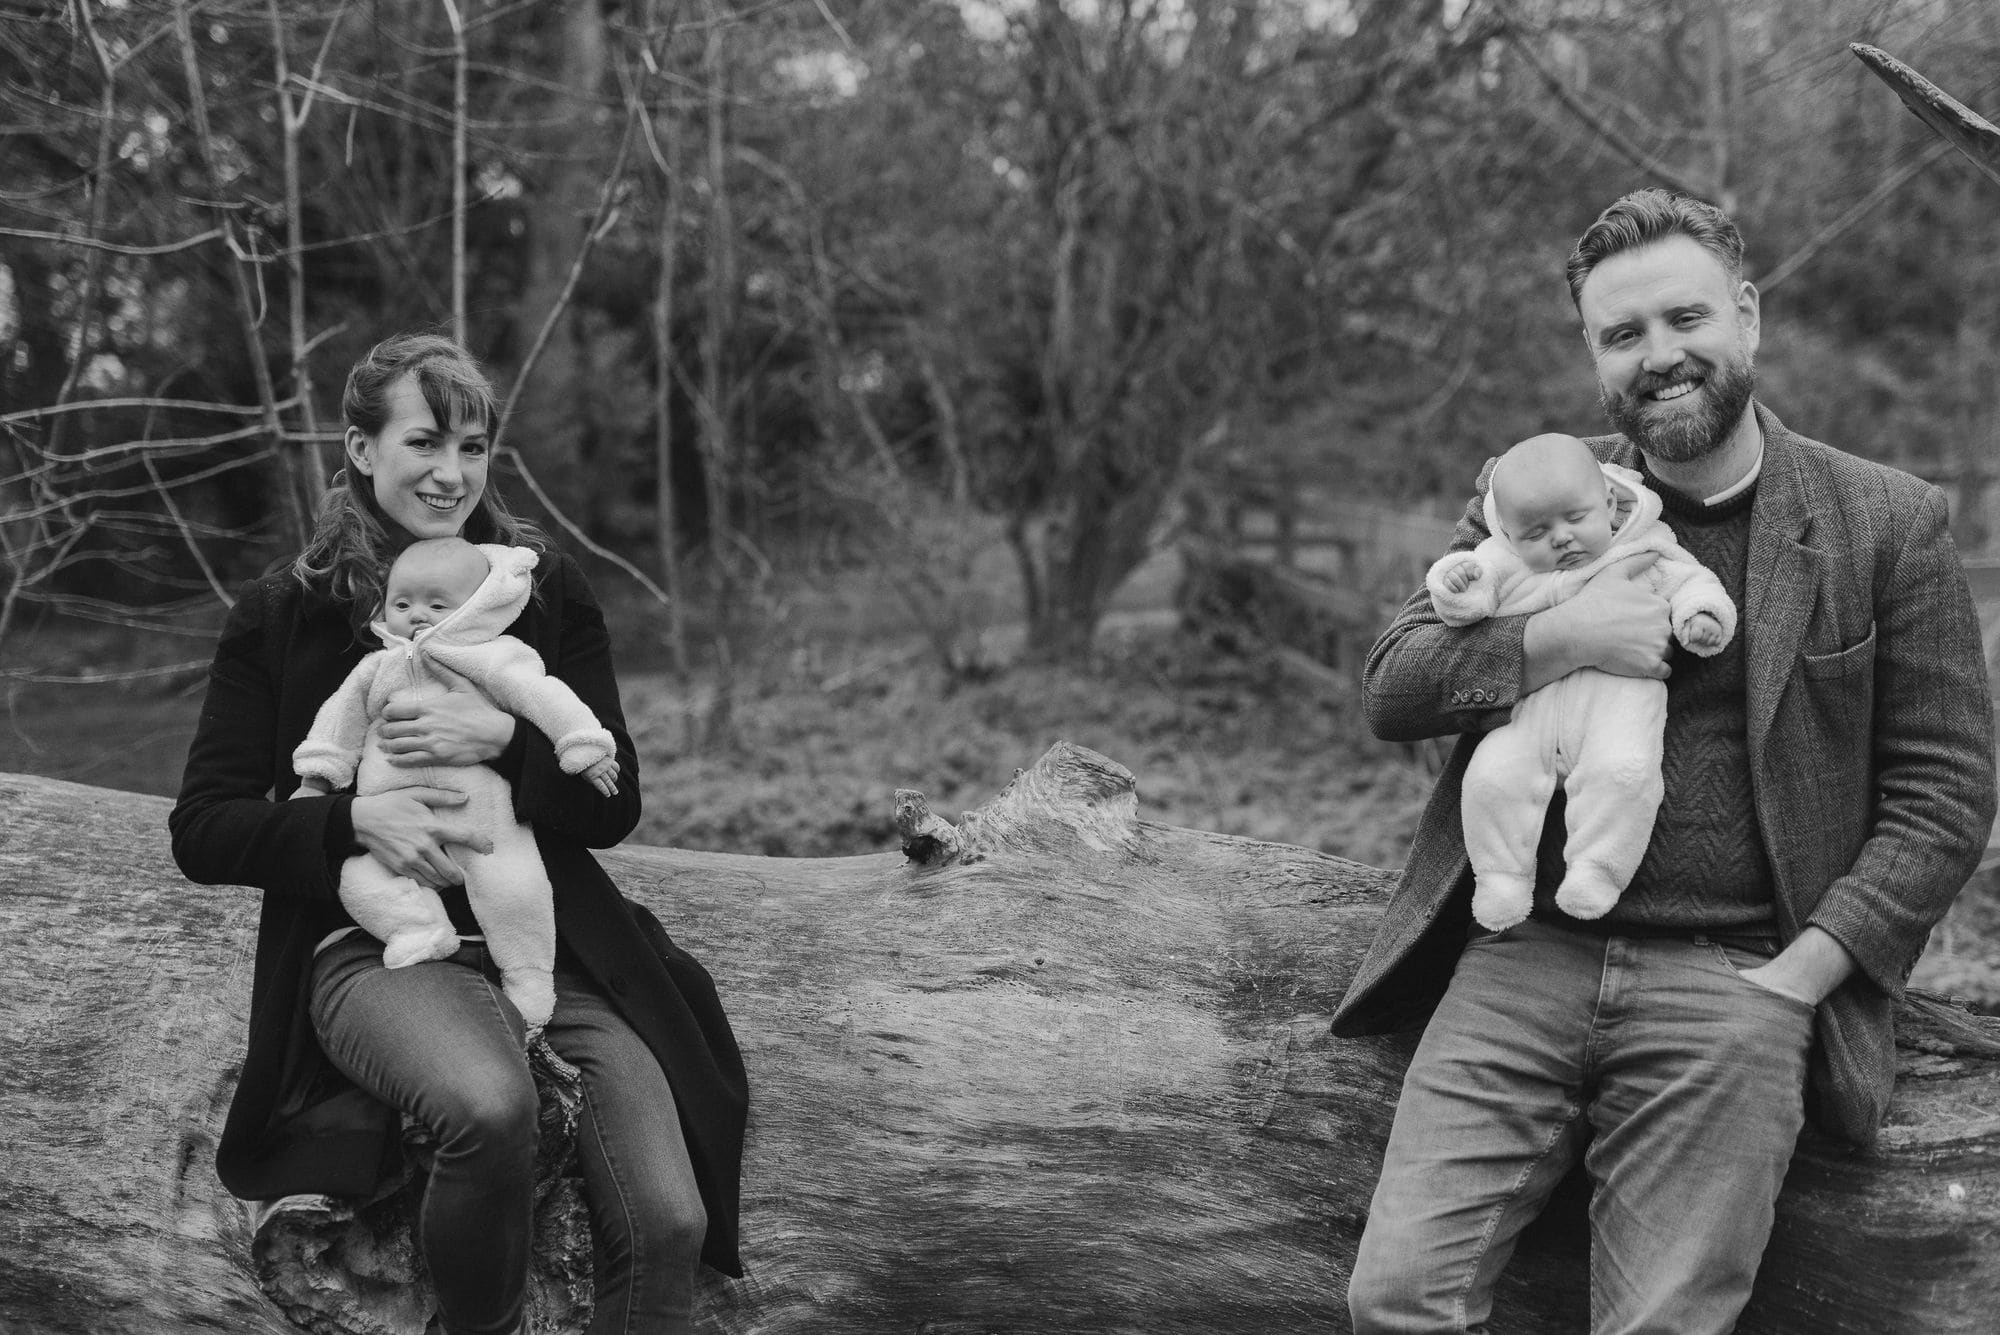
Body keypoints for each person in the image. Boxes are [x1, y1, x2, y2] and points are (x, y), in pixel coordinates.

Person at [1337, 189, 1996, 1333]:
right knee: (1395, 1300)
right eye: (1621, 334)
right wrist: (1556, 639)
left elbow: (1943, 787)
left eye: (1683, 318)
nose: (1658, 355)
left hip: (1732, 981)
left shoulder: (1882, 521)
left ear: (1746, 315)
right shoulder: (1536, 491)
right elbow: (1395, 685)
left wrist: (1805, 973)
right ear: (1593, 354)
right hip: (1523, 956)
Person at [170, 332, 747, 1335]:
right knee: (488, 1105)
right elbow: (204, 828)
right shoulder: (285, 612)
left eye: (472, 448)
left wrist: (508, 742)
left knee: (669, 1218)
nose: (451, 473)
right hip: (375, 950)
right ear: (361, 448)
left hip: (549, 946)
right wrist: (354, 820)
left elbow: (613, 805)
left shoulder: (542, 590)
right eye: (425, 442)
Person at [292, 536, 621, 1035]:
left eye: (437, 605)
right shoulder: (375, 669)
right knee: (358, 880)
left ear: (474, 607)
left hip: (485, 822)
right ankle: (418, 928)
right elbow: (338, 724)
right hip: (389, 828)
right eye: (403, 604)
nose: (418, 615)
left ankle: (529, 979)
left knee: (516, 890)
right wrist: (316, 781)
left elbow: (543, 697)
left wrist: (583, 745)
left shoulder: (492, 657)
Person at [1425, 433, 1735, 932]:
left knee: (1625, 774)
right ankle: (1501, 878)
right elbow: (1467, 605)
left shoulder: (1642, 545)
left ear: (1609, 503)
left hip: (1619, 702)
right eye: (1536, 533)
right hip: (1530, 708)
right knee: (1491, 779)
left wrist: (1700, 615)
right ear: (1510, 534)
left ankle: (1596, 870)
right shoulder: (1504, 559)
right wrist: (1456, 584)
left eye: (1575, 518)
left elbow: (1690, 581)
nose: (1561, 539)